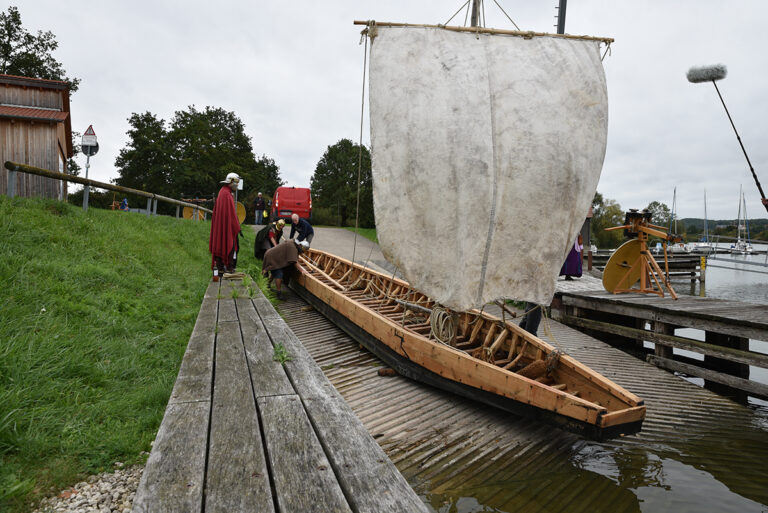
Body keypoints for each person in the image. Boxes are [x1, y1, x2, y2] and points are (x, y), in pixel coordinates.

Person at [209, 173, 242, 274]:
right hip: (227, 226)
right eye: (236, 183)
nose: (237, 186)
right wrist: (237, 227)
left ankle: (221, 268)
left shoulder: (223, 192)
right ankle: (228, 267)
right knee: (230, 244)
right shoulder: (226, 194)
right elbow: (231, 215)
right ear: (231, 182)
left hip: (222, 225)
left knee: (221, 242)